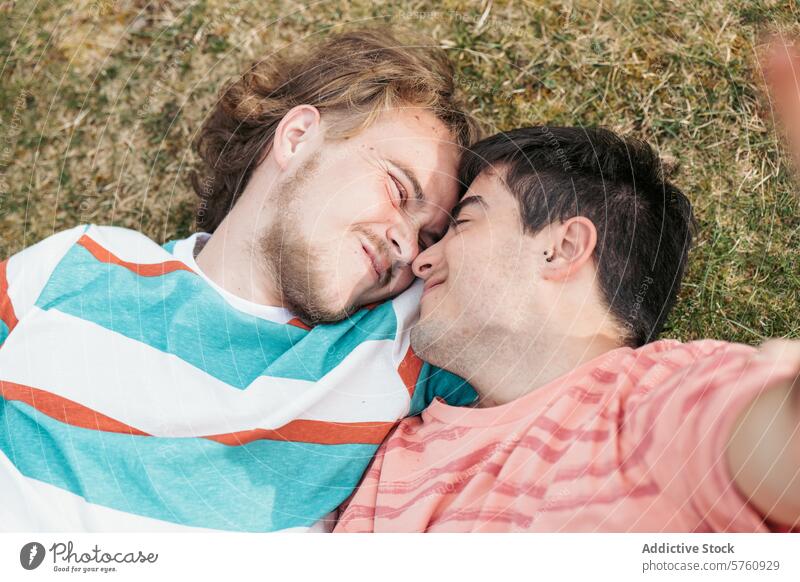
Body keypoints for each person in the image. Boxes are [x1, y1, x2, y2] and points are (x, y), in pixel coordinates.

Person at [0, 27, 479, 532]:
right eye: (398, 188)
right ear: (297, 137)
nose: (407, 245)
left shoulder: (400, 342)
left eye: (429, 238)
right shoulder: (78, 264)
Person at [334, 126, 800, 532]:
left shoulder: (658, 400)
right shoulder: (393, 462)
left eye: (465, 222)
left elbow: (778, 451)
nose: (421, 260)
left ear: (560, 248)